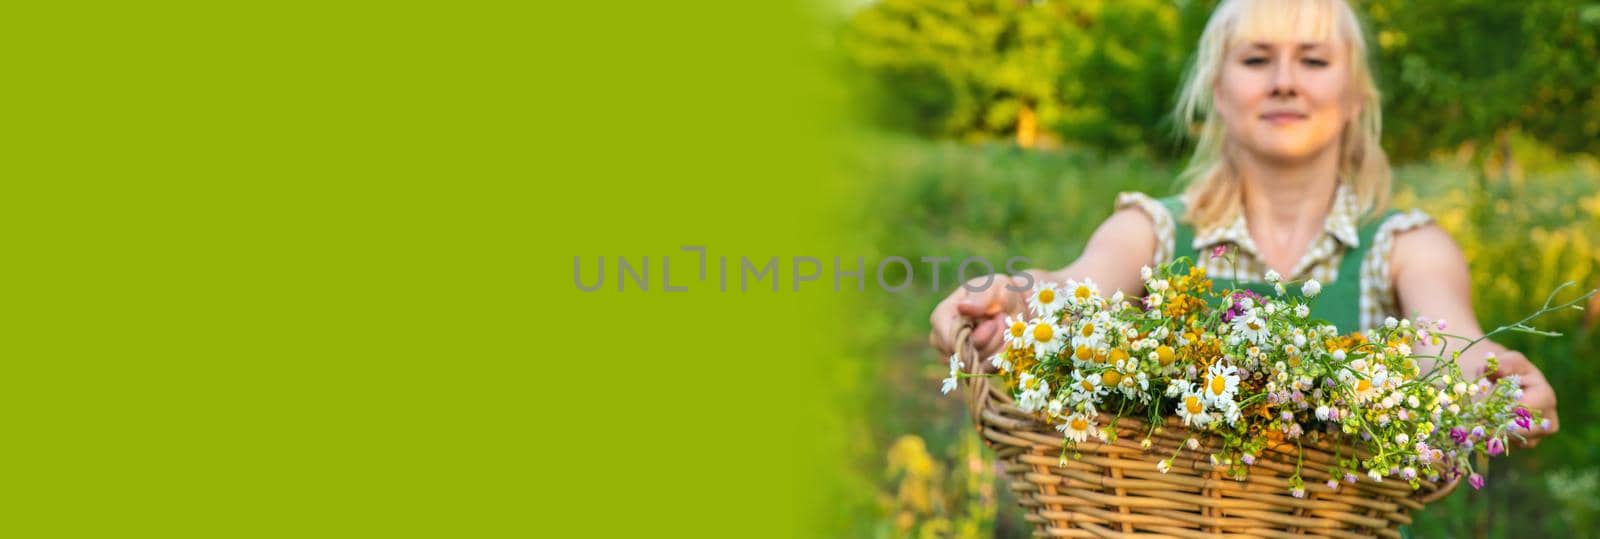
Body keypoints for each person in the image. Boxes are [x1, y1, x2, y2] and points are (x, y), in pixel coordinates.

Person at [927, 0, 1557, 447]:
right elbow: (1073, 288)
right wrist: (1014, 302)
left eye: (1313, 61)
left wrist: (1498, 382)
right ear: (1218, 91)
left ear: (1356, 95)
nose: (1284, 82)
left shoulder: (1404, 247)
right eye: (1257, 60)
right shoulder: (1154, 233)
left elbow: (1448, 349)